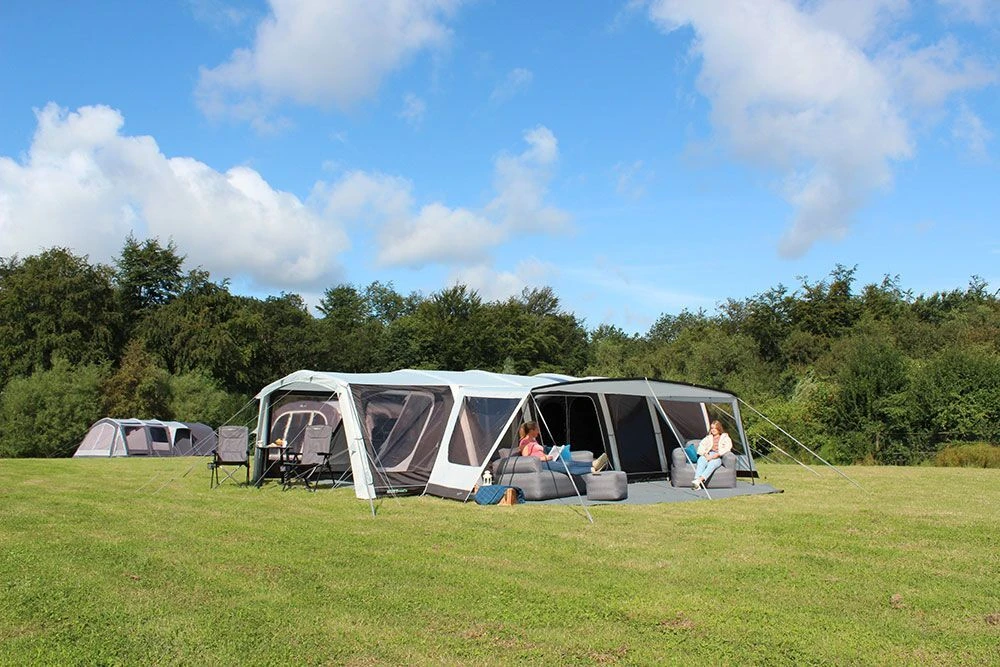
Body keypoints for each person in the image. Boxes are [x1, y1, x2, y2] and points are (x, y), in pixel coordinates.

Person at [692, 420, 732, 488]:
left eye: (715, 428)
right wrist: (705, 454)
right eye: (712, 428)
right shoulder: (708, 438)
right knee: (701, 460)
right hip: (708, 454)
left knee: (712, 463)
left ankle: (699, 480)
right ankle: (696, 481)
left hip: (717, 456)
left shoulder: (725, 437)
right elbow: (701, 447)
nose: (713, 430)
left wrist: (717, 454)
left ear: (719, 429)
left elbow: (727, 447)